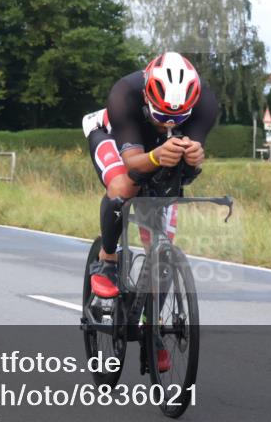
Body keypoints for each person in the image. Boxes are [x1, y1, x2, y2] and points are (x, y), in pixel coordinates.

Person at [82, 51, 219, 309]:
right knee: (124, 187)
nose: (167, 124)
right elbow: (133, 163)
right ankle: (107, 260)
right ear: (146, 95)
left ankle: (151, 323)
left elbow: (186, 171)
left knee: (160, 252)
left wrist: (194, 156)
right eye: (160, 114)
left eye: (177, 119)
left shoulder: (206, 104)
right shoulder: (124, 94)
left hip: (157, 150)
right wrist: (156, 156)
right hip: (112, 136)